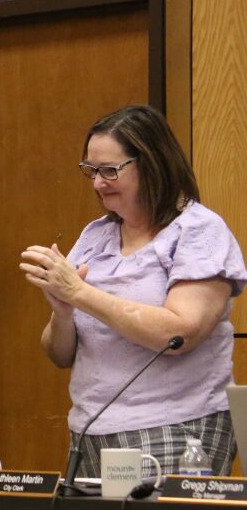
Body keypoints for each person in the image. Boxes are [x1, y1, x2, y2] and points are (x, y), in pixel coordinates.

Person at [21, 105, 246, 475]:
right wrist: (62, 313)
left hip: (177, 427)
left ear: (153, 163)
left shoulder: (198, 231)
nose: (97, 183)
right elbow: (60, 354)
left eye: (110, 171)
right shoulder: (96, 236)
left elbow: (180, 333)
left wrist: (79, 293)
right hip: (90, 428)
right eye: (90, 171)